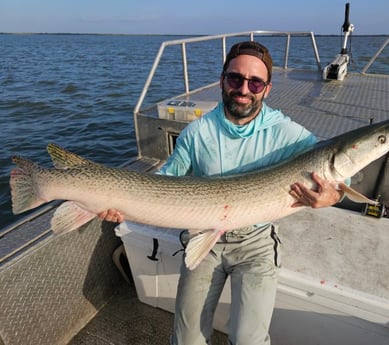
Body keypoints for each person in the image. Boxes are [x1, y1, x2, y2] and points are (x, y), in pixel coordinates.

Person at [99, 41, 342, 345]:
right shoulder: (197, 132)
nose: (243, 89)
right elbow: (164, 181)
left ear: (266, 89)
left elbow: (332, 175)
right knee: (186, 339)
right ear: (222, 80)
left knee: (247, 340)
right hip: (205, 239)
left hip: (255, 243)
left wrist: (333, 197)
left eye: (255, 82)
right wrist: (119, 205)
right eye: (235, 78)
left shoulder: (288, 134)